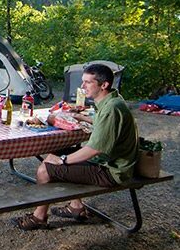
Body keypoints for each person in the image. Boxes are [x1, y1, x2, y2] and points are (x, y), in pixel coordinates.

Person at [14, 63, 139, 230]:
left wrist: (64, 161)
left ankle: (39, 217)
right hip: (108, 161)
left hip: (112, 170)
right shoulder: (113, 100)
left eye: (87, 82)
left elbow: (95, 149)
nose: (82, 86)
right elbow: (103, 123)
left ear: (104, 85)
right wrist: (80, 117)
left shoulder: (111, 108)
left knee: (46, 168)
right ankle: (76, 207)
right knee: (57, 150)